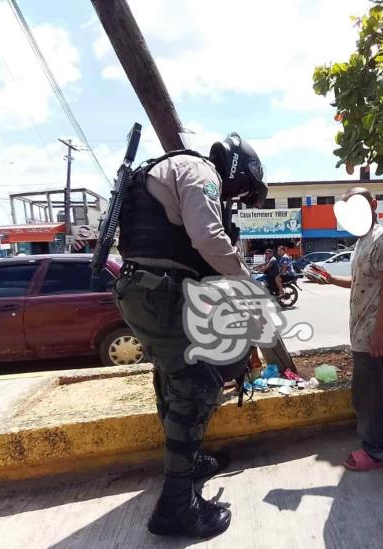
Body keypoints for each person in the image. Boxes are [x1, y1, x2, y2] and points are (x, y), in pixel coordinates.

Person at [113, 132, 267, 539]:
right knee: (197, 385)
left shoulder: (168, 168)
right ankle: (176, 507)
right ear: (237, 170)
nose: (234, 198)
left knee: (174, 379)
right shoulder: (202, 172)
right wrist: (245, 280)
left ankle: (189, 460)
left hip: (145, 290)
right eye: (242, 190)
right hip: (160, 293)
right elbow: (207, 238)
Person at [311, 187, 383, 471]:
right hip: (365, 331)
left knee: (368, 395)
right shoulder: (362, 241)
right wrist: (329, 279)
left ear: (373, 204)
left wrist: (379, 332)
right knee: (381, 391)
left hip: (375, 335)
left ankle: (377, 451)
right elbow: (361, 282)